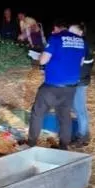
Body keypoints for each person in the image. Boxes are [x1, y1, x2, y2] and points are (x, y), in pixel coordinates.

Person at [27, 20, 85, 150]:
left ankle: (31, 144)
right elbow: (81, 62)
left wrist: (41, 56)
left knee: (38, 113)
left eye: (53, 29)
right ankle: (64, 145)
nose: (52, 32)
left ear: (58, 28)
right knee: (64, 116)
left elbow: (43, 59)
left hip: (52, 85)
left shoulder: (56, 38)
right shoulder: (81, 41)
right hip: (71, 86)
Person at [69, 22, 94, 146]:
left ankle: (81, 136)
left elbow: (78, 63)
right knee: (78, 107)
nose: (69, 34)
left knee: (79, 109)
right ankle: (85, 134)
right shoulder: (81, 43)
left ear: (80, 33)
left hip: (79, 80)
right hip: (80, 79)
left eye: (71, 31)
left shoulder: (81, 44)